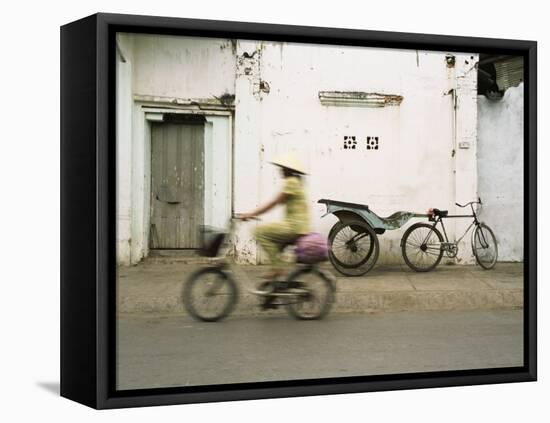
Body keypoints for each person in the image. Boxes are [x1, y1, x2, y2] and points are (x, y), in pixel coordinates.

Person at [238, 153, 311, 280]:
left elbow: (274, 203)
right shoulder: (296, 182)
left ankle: (277, 269)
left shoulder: (291, 182)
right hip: (300, 226)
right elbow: (281, 202)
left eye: (282, 168)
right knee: (275, 246)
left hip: (294, 226)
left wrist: (251, 214)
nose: (280, 170)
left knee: (259, 232)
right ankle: (278, 282)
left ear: (288, 170)